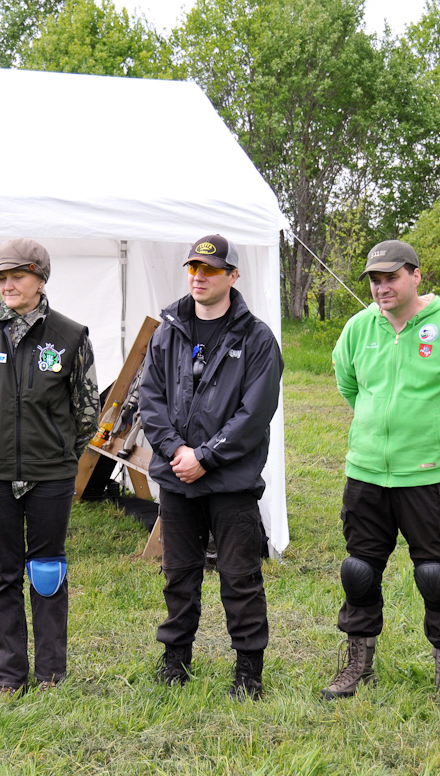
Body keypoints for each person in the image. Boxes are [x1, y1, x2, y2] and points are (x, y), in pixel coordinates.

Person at [322, 240, 440, 700]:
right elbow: (348, 384)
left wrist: (438, 427)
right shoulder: (359, 328)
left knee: (435, 575)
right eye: (375, 280)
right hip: (366, 472)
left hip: (429, 474)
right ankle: (358, 664)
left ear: (416, 275)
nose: (382, 287)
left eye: (391, 277)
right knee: (358, 570)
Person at [139, 234, 283, 700]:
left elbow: (254, 413)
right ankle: (175, 660)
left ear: (233, 276)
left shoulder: (257, 338)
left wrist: (205, 456)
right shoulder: (168, 330)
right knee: (179, 575)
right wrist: (177, 451)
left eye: (211, 270)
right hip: (177, 478)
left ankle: (249, 671)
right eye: (194, 268)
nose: (199, 277)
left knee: (240, 578)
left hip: (231, 482)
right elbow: (150, 399)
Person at [0, 238, 99, 701]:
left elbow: (87, 411)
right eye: (1, 277)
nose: (7, 285)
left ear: (40, 279)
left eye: (17, 276)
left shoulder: (70, 335)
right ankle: (8, 676)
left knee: (46, 571)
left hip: (51, 473)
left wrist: (59, 453)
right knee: (3, 573)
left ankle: (50, 675)